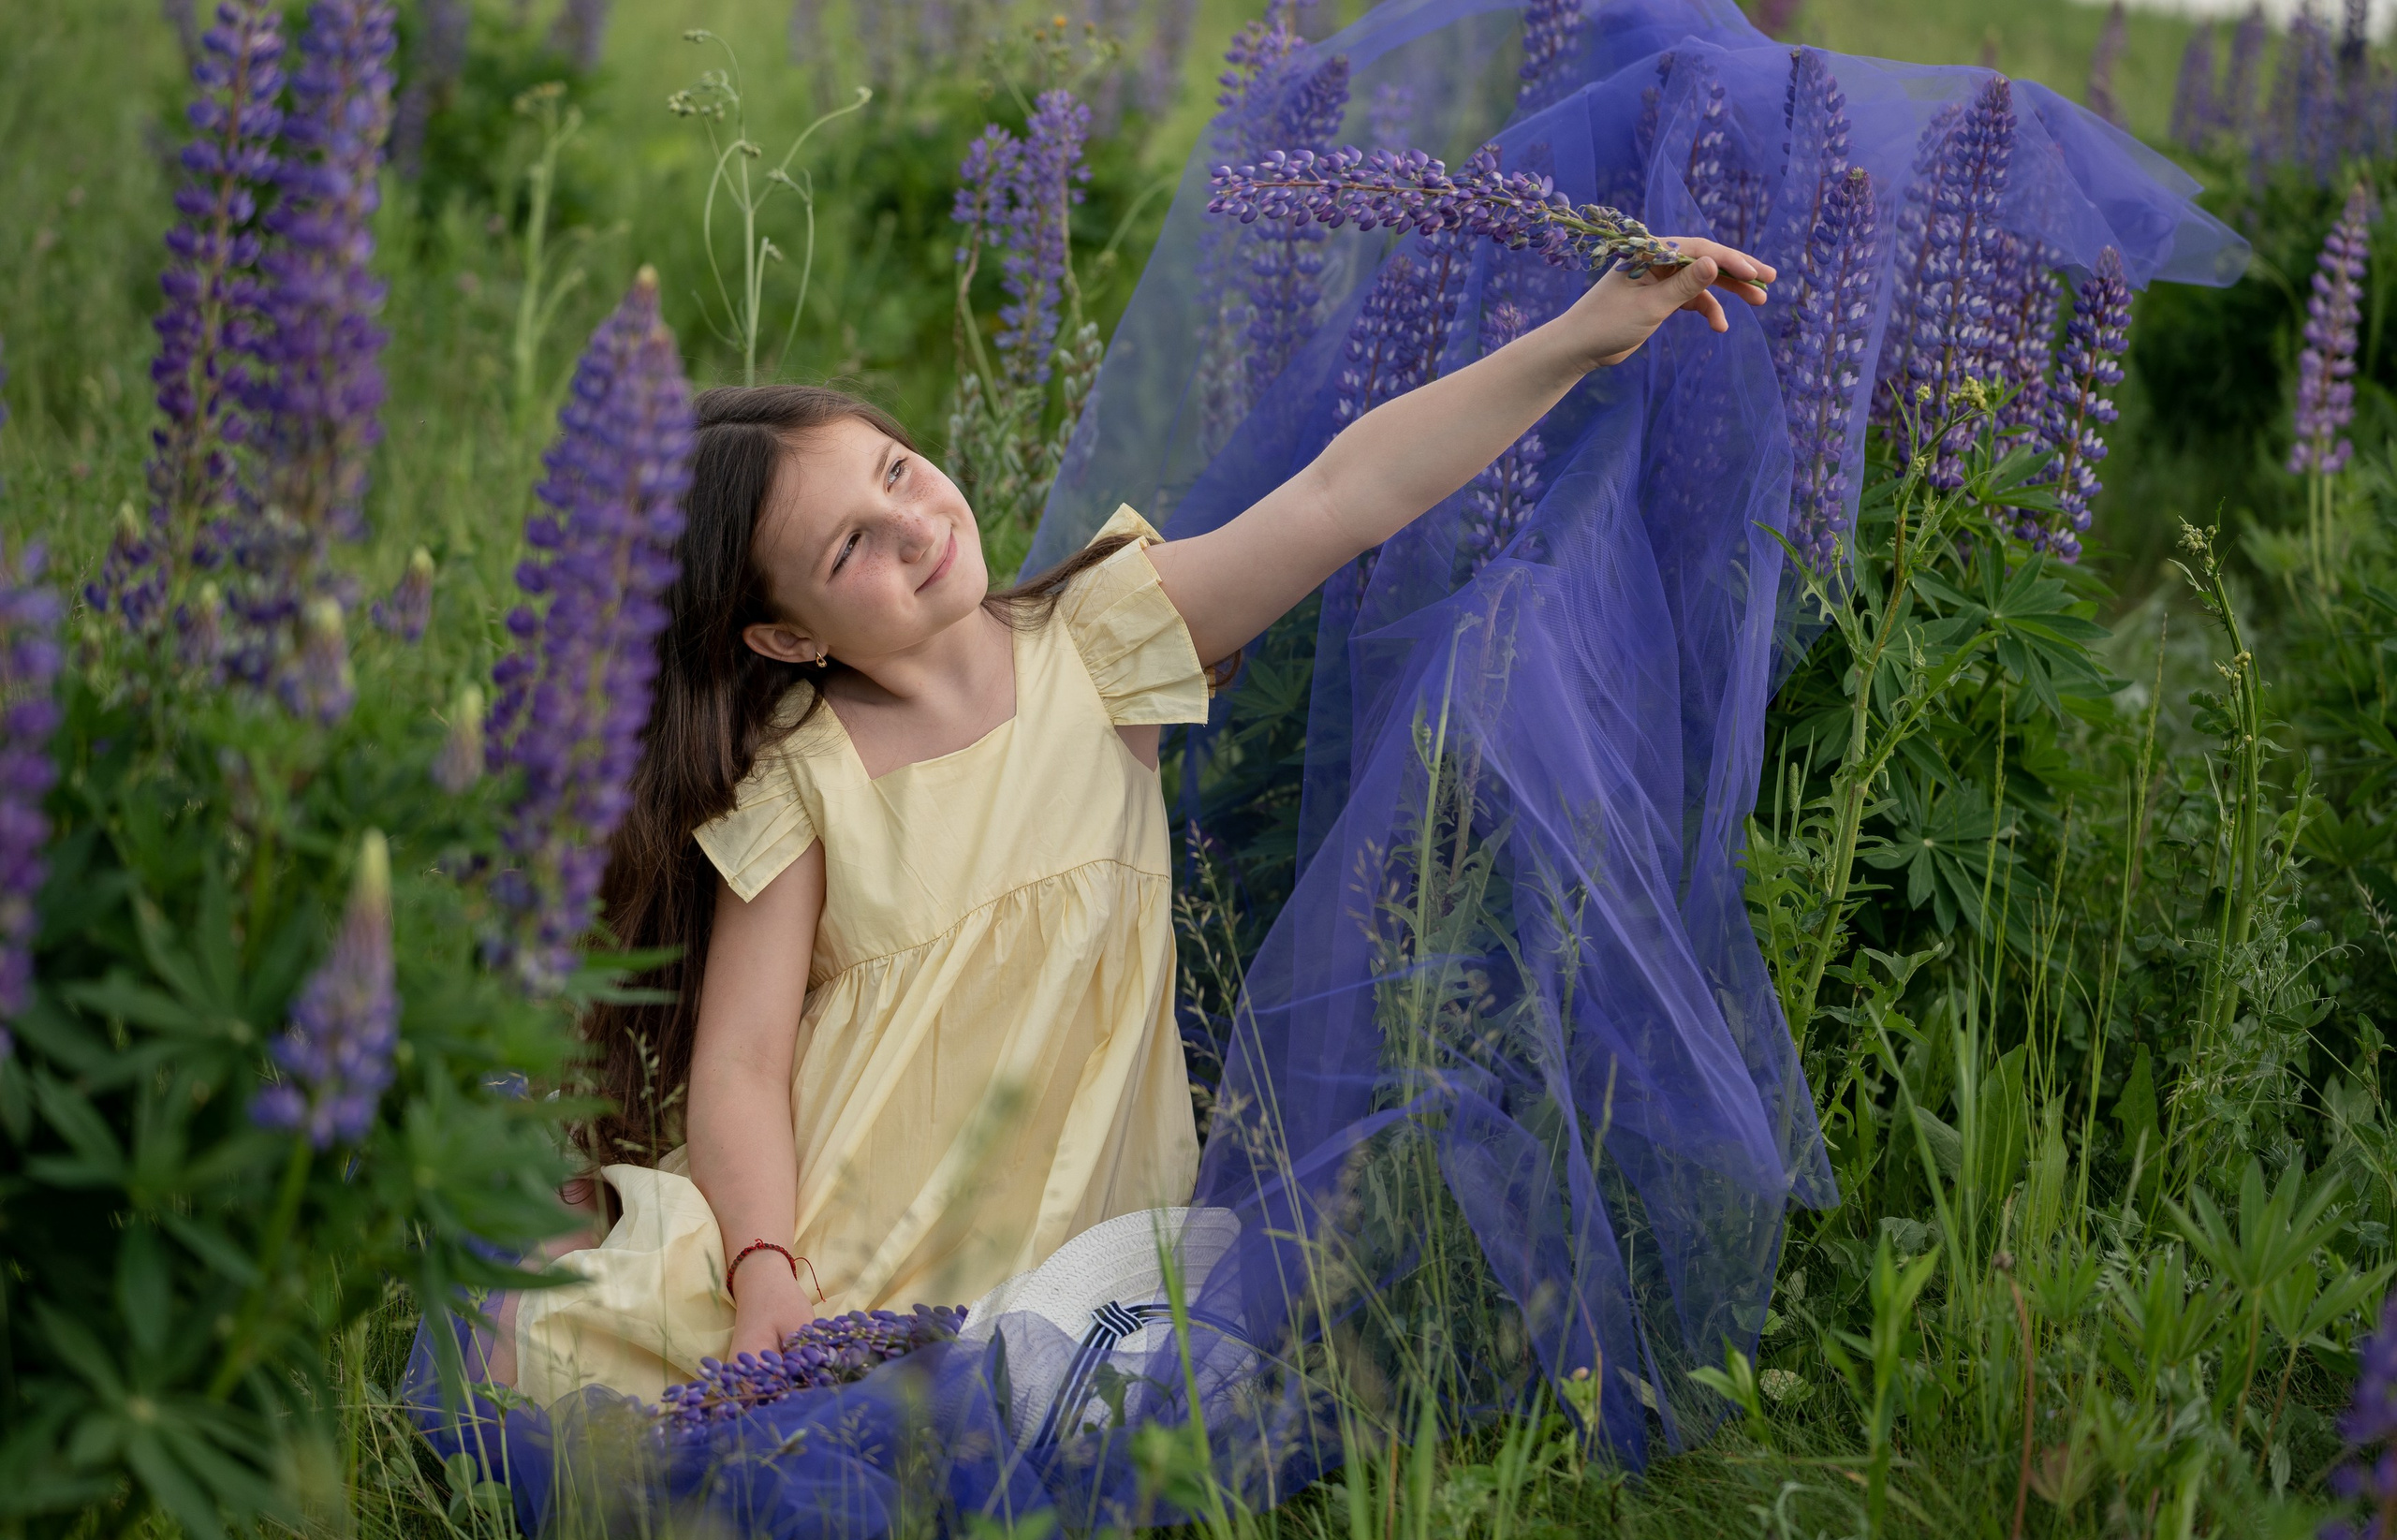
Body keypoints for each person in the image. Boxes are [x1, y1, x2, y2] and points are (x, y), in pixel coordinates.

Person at [490, 237, 1773, 1407]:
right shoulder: (801, 774)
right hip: (838, 1238)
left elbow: (1344, 493)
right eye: (853, 549)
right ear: (785, 636)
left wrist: (1581, 334)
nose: (916, 523)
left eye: (896, 468)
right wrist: (767, 1269)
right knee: (555, 1356)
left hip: (1075, 1241)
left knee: (1060, 1395)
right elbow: (742, 1062)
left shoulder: (1100, 643)